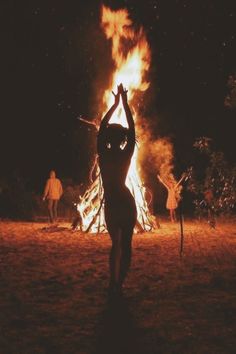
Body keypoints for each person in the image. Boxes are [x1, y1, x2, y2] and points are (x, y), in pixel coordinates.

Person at [97, 84, 137, 297]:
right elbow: (132, 131)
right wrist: (125, 103)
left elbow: (102, 128)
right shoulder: (125, 154)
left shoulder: (103, 155)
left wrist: (115, 105)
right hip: (125, 202)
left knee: (117, 245)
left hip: (113, 203)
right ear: (122, 139)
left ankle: (115, 282)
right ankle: (118, 282)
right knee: (126, 245)